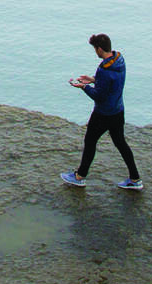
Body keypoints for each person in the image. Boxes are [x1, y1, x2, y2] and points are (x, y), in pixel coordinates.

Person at [59, 34, 141, 190]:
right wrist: (93, 79)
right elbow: (111, 83)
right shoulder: (119, 60)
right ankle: (135, 179)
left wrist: (84, 86)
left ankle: (79, 176)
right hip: (118, 110)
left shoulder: (104, 69)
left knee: (90, 141)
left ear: (100, 49)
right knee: (121, 143)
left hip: (103, 113)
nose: (95, 52)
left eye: (95, 49)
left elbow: (99, 96)